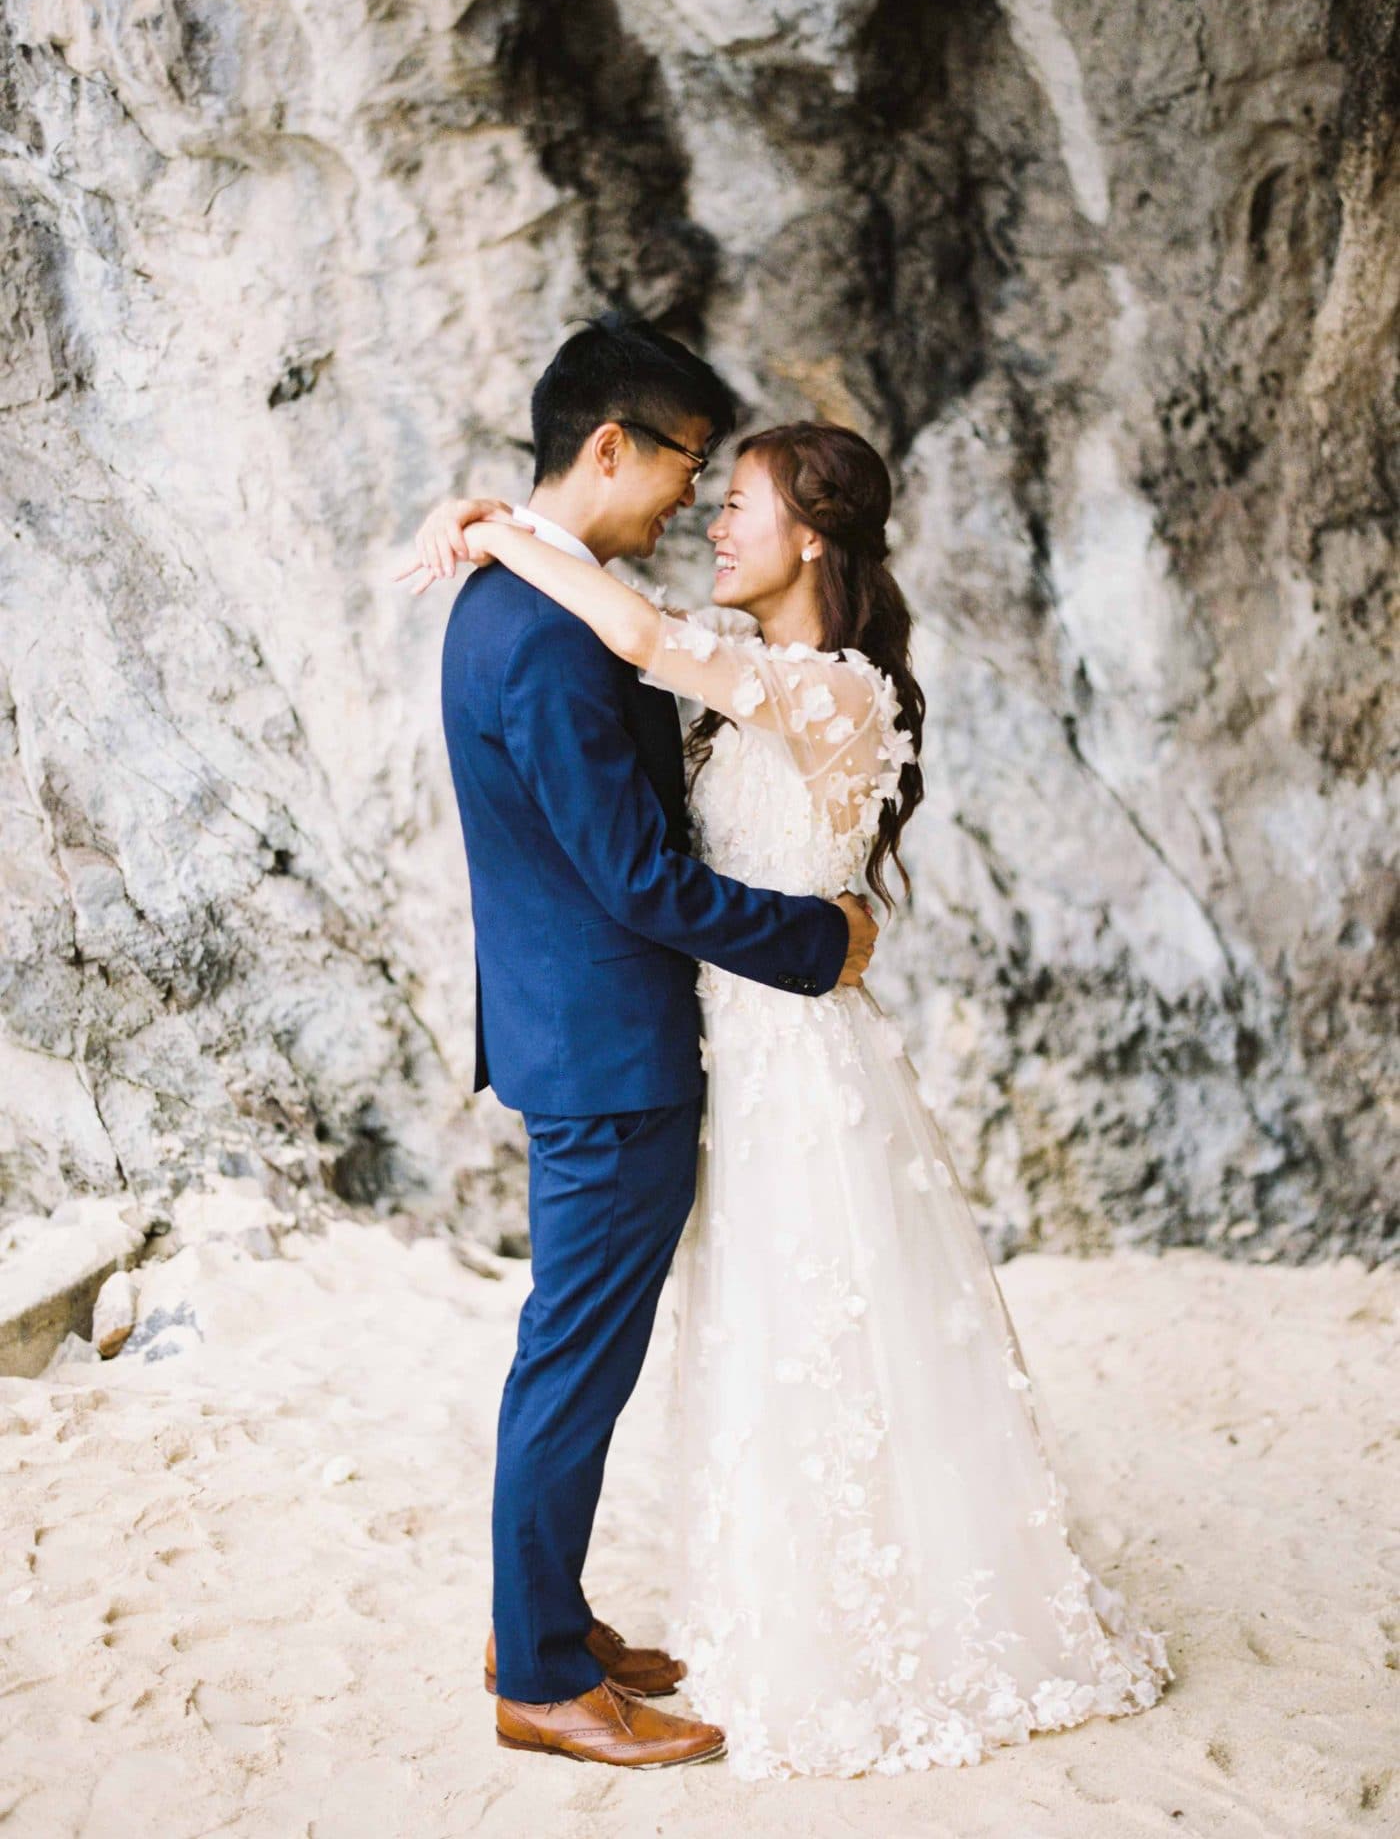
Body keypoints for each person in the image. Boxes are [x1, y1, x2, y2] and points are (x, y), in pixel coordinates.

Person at [407, 412, 1175, 1779]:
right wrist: (500, 520)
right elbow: (638, 679)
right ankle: (549, 1644)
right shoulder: (739, 662)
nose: (711, 519)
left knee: (813, 1332)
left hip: (795, 1064)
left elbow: (636, 635)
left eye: (738, 502)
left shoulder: (833, 692)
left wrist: (501, 529)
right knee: (710, 1339)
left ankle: (711, 1623)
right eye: (702, 490)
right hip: (716, 1048)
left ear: (812, 538)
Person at [402, 315, 879, 1769]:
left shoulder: (519, 595)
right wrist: (819, 945)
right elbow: (638, 881)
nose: (692, 496)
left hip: (578, 1033)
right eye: (686, 461)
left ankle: (539, 1622)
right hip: (608, 1055)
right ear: (612, 446)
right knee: (575, 1362)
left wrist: (486, 516)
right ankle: (543, 1678)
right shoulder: (547, 635)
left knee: (573, 1352)